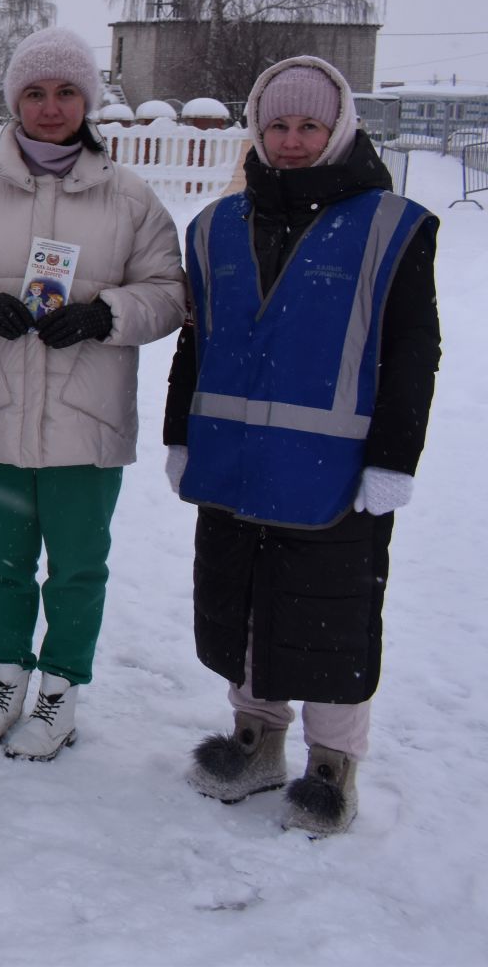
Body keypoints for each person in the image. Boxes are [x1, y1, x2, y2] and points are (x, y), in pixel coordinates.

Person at [166, 57, 440, 836]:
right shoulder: (215, 225)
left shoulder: (392, 226)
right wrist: (178, 433)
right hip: (232, 461)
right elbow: (197, 343)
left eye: (308, 126)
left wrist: (394, 459)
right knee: (245, 607)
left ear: (338, 129)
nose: (290, 141)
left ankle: (333, 766)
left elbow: (413, 350)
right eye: (277, 125)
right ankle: (255, 741)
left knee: (331, 621)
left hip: (337, 471)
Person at [0, 26, 184, 759]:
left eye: (66, 92)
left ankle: (59, 692)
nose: (51, 106)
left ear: (87, 101)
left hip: (85, 418)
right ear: (15, 102)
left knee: (77, 566)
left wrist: (108, 315)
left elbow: (168, 292)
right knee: (1, 561)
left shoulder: (129, 199)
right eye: (35, 92)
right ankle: (6, 682)